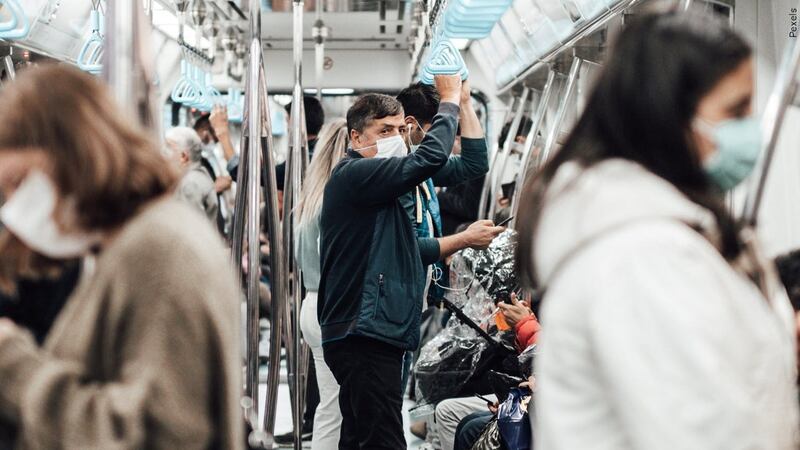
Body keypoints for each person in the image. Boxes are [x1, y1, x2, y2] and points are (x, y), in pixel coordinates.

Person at [515, 10, 798, 450]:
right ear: (668, 115)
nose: (751, 132)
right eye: (735, 111)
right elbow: (696, 432)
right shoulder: (640, 257)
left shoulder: (659, 231)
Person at [0, 64, 243, 449]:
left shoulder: (159, 250)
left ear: (74, 155)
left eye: (19, 182)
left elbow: (154, 437)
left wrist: (13, 364)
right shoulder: (134, 242)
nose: (14, 205)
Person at [319, 75, 504, 449]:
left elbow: (473, 162)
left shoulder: (387, 177)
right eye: (383, 130)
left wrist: (465, 103)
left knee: (361, 436)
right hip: (364, 327)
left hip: (374, 325)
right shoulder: (357, 174)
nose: (393, 138)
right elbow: (431, 157)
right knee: (383, 438)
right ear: (356, 138)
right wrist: (449, 98)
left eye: (397, 129)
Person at [295, 118, 349, 450]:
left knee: (330, 405)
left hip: (310, 304)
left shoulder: (308, 202)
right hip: (332, 308)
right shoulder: (337, 202)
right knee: (338, 408)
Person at [165, 126, 220, 224]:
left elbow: (190, 229)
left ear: (183, 156)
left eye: (168, 147)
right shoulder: (201, 175)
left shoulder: (189, 185)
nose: (163, 152)